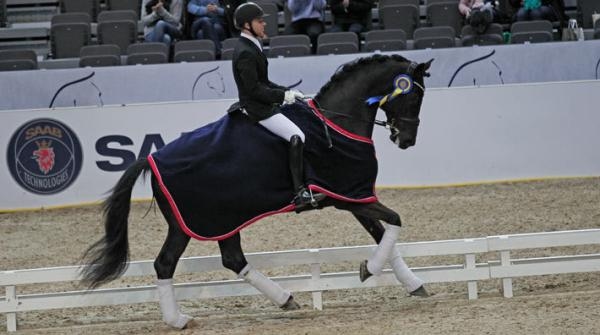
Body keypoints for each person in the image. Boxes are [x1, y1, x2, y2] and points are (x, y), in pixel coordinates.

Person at [231, 2, 324, 209]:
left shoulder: (252, 45)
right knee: (296, 135)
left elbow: (264, 82)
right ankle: (299, 192)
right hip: (257, 109)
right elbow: (254, 89)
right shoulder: (245, 51)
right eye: (259, 21)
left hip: (262, 102)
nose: (264, 24)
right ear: (247, 25)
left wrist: (287, 91)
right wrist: (282, 97)